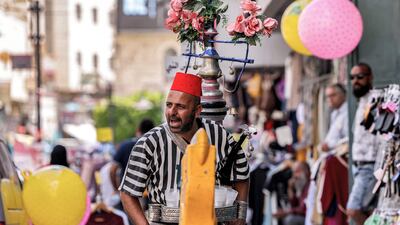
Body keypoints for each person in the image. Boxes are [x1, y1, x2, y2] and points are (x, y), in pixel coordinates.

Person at [119, 72, 250, 225]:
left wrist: (240, 217)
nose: (172, 112)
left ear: (197, 111)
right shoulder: (149, 143)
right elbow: (127, 193)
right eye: (169, 105)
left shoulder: (220, 136)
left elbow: (241, 174)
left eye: (180, 106)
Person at [346, 63, 380, 225]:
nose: (355, 81)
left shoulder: (376, 101)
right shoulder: (362, 101)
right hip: (358, 165)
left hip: (369, 165)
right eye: (352, 78)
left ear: (370, 77)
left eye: (360, 77)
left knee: (353, 208)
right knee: (368, 210)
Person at [110, 119, 155, 193]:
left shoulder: (125, 146)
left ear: (138, 130)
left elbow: (112, 170)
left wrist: (116, 189)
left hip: (128, 193)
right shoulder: (156, 146)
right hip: (149, 193)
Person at [321, 83, 349, 152]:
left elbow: (348, 139)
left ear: (343, 95)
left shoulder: (347, 113)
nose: (329, 99)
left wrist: (329, 145)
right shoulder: (334, 113)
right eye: (328, 96)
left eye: (333, 95)